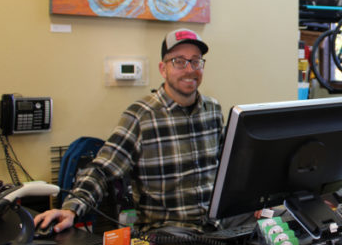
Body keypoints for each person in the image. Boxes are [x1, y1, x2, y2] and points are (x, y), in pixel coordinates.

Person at [34, 28, 223, 233]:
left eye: (196, 61)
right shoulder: (142, 115)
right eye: (179, 61)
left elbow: (228, 167)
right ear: (163, 68)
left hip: (215, 226)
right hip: (169, 232)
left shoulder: (212, 110)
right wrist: (72, 209)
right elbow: (102, 170)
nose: (189, 69)